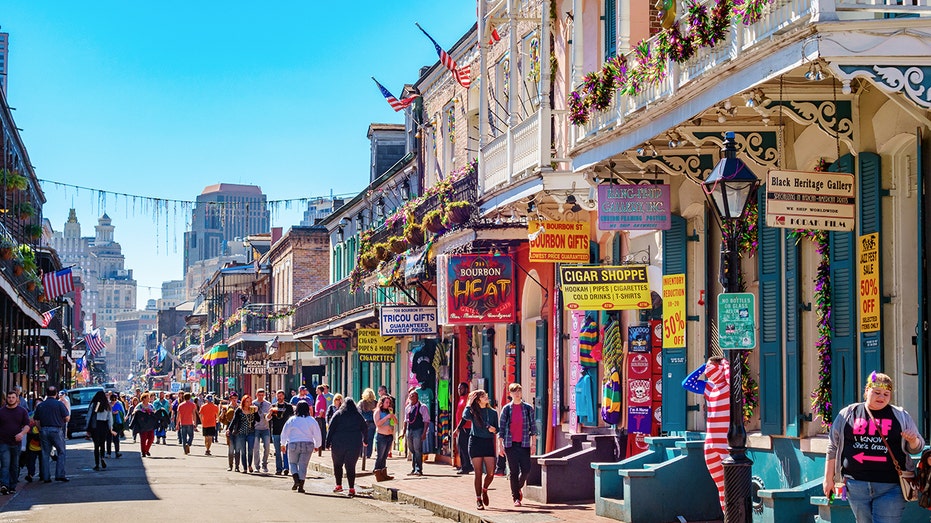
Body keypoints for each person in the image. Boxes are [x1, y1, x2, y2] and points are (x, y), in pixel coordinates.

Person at [824, 372, 925, 522]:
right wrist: (828, 479)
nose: (881, 397)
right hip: (855, 485)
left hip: (892, 486)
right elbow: (832, 446)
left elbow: (917, 448)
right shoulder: (848, 413)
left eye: (886, 393)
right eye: (877, 392)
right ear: (866, 391)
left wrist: (913, 441)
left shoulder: (900, 415)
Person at [456, 389, 499, 510]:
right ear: (478, 399)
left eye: (486, 394)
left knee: (491, 473)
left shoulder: (493, 412)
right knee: (478, 472)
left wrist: (494, 430)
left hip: (488, 443)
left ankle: (484, 489)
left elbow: (498, 429)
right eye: (483, 395)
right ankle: (478, 498)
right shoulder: (473, 411)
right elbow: (465, 417)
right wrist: (469, 403)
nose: (486, 397)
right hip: (475, 442)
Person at [499, 383, 536, 506]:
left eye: (519, 391)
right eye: (514, 392)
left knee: (526, 469)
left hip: (524, 443)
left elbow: (533, 427)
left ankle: (518, 487)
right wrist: (500, 446)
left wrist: (534, 444)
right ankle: (516, 498)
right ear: (510, 394)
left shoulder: (527, 408)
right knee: (514, 471)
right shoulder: (506, 409)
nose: (517, 394)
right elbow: (502, 429)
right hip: (510, 445)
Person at [325, 397, 367, 497]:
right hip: (354, 443)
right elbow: (365, 427)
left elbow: (331, 429)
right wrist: (365, 440)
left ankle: (338, 485)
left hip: (338, 443)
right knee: (351, 466)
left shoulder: (338, 414)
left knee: (337, 464)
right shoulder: (357, 415)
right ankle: (351, 488)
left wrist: (327, 442)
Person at [280, 400, 321, 493]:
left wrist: (283, 444)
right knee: (303, 465)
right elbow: (317, 433)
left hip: (293, 443)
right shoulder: (312, 420)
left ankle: (296, 480)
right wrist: (317, 445)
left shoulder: (292, 420)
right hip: (308, 444)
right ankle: (301, 486)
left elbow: (285, 432)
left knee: (292, 463)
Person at [33, 386, 70, 482]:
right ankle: (60, 474)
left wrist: (40, 429)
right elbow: (67, 418)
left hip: (44, 429)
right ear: (56, 394)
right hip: (56, 429)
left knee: (45, 453)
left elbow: (36, 420)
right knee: (61, 452)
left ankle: (46, 477)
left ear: (46, 393)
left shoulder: (41, 405)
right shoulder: (59, 404)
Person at [0, 390, 30, 494]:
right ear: (6, 399)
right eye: (9, 397)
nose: (11, 399)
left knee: (14, 465)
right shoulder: (1, 411)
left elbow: (27, 425)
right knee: (5, 464)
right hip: (3, 442)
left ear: (17, 399)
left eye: (13, 397)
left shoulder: (22, 411)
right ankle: (4, 485)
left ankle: (12, 486)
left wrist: (21, 434)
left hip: (16, 443)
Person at [400, 389, 430, 476]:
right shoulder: (407, 407)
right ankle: (413, 468)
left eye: (413, 396)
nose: (411, 398)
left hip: (418, 430)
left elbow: (426, 421)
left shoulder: (422, 407)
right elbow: (406, 420)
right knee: (412, 449)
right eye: (410, 396)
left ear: (417, 397)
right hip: (410, 430)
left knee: (417, 450)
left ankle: (418, 469)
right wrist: (403, 432)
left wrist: (424, 433)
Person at [86, 390, 116, 471]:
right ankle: (102, 457)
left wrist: (87, 427)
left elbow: (91, 415)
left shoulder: (94, 404)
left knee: (96, 445)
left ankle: (97, 464)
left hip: (96, 426)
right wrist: (110, 428)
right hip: (104, 425)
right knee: (102, 443)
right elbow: (110, 418)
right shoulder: (107, 405)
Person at [228, 394, 258, 473]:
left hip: (251, 432)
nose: (248, 403)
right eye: (247, 402)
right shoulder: (239, 410)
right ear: (243, 402)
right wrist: (229, 429)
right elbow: (234, 420)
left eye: (250, 402)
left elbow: (258, 419)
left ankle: (250, 465)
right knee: (243, 451)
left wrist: (256, 412)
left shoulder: (252, 410)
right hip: (241, 433)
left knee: (250, 450)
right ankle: (245, 467)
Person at [269, 390, 294, 475]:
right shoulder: (273, 406)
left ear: (283, 396)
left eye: (281, 396)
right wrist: (270, 413)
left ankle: (286, 468)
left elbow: (292, 418)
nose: (279, 398)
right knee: (277, 451)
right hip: (276, 431)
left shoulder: (288, 406)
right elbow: (268, 418)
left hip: (286, 432)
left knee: (285, 450)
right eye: (278, 396)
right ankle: (278, 468)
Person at [372, 395, 397, 481]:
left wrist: (391, 415)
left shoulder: (389, 412)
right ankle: (377, 473)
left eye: (389, 403)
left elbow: (396, 422)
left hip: (389, 436)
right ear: (382, 403)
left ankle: (384, 473)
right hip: (381, 436)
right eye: (386, 402)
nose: (388, 404)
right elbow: (378, 423)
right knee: (380, 456)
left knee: (385, 456)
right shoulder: (378, 412)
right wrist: (386, 417)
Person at [453, 382, 473, 475]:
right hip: (461, 427)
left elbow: (465, 416)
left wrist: (458, 428)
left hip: (466, 427)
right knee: (461, 447)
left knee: (464, 447)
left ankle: (466, 467)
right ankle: (465, 465)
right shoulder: (461, 399)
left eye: (461, 388)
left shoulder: (467, 399)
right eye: (458, 388)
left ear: (466, 389)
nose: (459, 390)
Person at [130, 393, 158, 458]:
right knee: (143, 439)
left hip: (150, 425)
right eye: (147, 398)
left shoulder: (151, 405)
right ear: (144, 399)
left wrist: (150, 411)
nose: (149, 399)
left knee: (151, 438)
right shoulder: (139, 406)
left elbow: (154, 412)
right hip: (142, 426)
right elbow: (134, 413)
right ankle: (143, 452)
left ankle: (147, 449)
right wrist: (140, 411)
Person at [252, 388, 272, 473]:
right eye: (259, 395)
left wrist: (269, 415)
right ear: (256, 395)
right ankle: (257, 466)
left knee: (267, 447)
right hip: (256, 428)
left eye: (262, 395)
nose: (260, 396)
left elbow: (269, 417)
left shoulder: (268, 404)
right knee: (256, 448)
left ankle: (264, 464)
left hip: (265, 428)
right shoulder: (253, 403)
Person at [359, 388, 377, 460]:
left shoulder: (361, 403)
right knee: (370, 438)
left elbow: (358, 412)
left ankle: (361, 453)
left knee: (362, 438)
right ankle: (368, 454)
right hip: (372, 422)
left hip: (363, 422)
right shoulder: (375, 403)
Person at [107, 393, 125, 458]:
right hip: (109, 423)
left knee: (116, 438)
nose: (113, 401)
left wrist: (118, 412)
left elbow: (123, 412)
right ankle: (108, 453)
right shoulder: (108, 404)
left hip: (117, 423)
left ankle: (117, 452)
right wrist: (111, 412)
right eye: (112, 400)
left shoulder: (119, 404)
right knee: (108, 438)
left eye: (114, 400)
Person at [314, 385, 328, 457]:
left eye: (317, 389)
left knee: (321, 432)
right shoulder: (318, 397)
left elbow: (322, 408)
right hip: (317, 416)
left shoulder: (322, 398)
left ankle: (321, 446)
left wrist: (320, 415)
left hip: (320, 417)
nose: (316, 391)